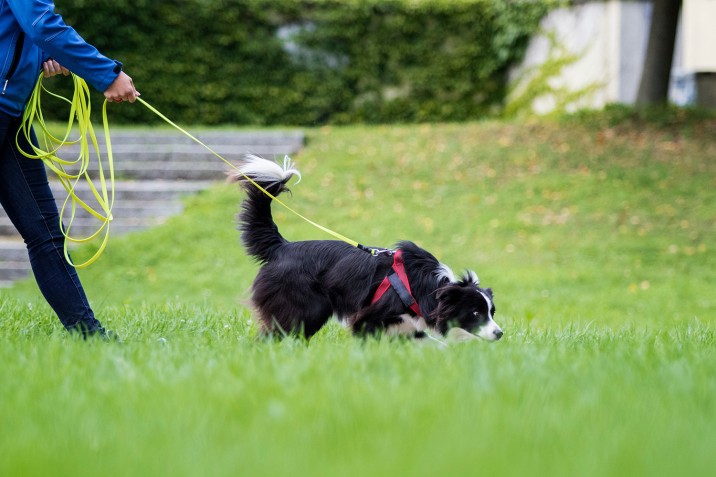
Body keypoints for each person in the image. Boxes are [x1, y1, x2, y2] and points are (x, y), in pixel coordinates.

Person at [1, 0, 139, 338]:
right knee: (44, 233)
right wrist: (108, 74)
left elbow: (21, 31)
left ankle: (91, 337)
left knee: (45, 232)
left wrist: (41, 57)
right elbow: (41, 24)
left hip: (11, 113)